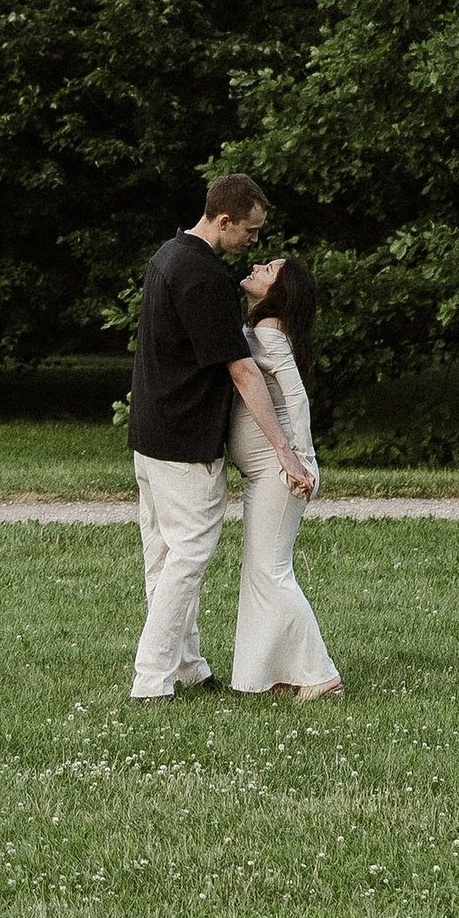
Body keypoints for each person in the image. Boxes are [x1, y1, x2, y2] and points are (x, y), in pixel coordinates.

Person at [126, 171, 296, 701]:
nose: (254, 241)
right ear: (223, 221)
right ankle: (151, 679)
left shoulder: (167, 257)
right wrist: (284, 448)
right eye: (250, 230)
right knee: (188, 558)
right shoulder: (204, 280)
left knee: (164, 556)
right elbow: (242, 371)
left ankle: (187, 668)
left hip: (150, 434)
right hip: (183, 439)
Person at [230, 252, 341, 700]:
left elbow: (297, 400)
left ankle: (319, 676)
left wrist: (298, 459)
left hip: (281, 471)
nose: (257, 267)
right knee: (260, 572)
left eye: (269, 270)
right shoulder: (260, 329)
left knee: (271, 573)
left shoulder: (270, 333)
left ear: (280, 292)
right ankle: (271, 674)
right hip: (266, 471)